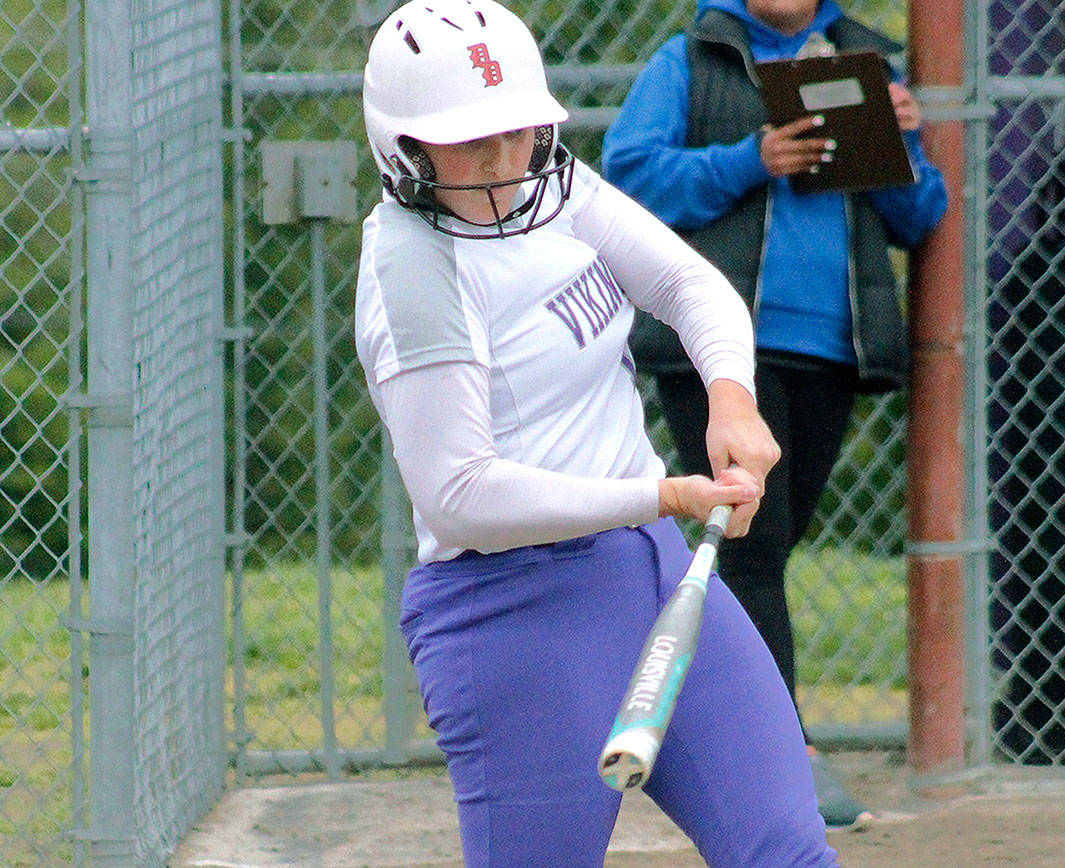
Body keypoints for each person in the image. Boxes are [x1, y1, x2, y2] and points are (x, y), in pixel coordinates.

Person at [354, 1, 840, 865]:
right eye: (472, 142)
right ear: (405, 150)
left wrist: (731, 397)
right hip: (511, 614)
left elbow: (692, 286)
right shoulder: (413, 273)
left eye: (518, 132)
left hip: (651, 569)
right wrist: (664, 492)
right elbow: (461, 496)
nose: (506, 162)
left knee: (786, 850)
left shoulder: (555, 183)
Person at [602, 0, 948, 828]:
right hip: (717, 358)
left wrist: (893, 141)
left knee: (765, 549)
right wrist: (750, 159)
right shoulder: (693, 58)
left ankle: (683, 709)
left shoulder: (866, 60)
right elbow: (629, 179)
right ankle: (786, 758)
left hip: (829, 348)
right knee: (750, 554)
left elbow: (920, 216)